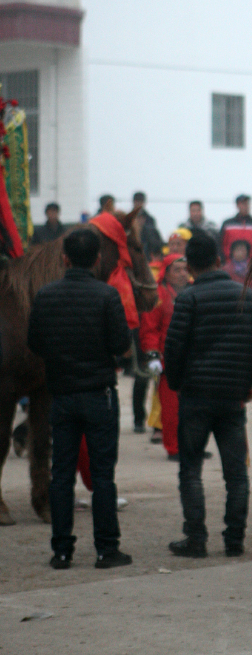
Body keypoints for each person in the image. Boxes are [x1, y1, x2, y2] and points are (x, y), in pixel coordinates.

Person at [26, 227, 134, 569]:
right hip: (99, 394)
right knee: (103, 476)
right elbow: (121, 345)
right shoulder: (107, 296)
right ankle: (106, 549)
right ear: (98, 258)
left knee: (61, 475)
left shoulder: (45, 295)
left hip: (61, 395)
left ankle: (61, 551)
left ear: (64, 258)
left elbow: (35, 343)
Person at [164, 230, 252, 557]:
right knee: (237, 474)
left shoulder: (187, 299)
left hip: (195, 398)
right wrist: (248, 382)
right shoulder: (247, 297)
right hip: (232, 399)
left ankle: (196, 539)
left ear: (190, 266)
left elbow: (174, 349)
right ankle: (234, 540)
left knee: (190, 470)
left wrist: (177, 384)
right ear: (219, 260)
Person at [139, 253, 190, 458]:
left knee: (193, 410)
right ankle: (174, 448)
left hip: (193, 361)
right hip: (168, 362)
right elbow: (150, 328)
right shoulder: (158, 297)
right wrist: (152, 356)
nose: (182, 274)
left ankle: (191, 446)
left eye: (185, 269)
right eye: (177, 270)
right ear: (166, 273)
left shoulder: (193, 292)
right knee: (171, 410)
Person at [218, 195, 252, 262]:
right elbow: (221, 243)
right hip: (230, 264)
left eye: (247, 203)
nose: (246, 206)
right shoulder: (228, 224)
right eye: (243, 204)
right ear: (237, 205)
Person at [131, 191, 164, 261]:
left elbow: (154, 240)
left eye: (140, 201)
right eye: (137, 201)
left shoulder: (150, 219)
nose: (138, 204)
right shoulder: (128, 219)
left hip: (147, 255)